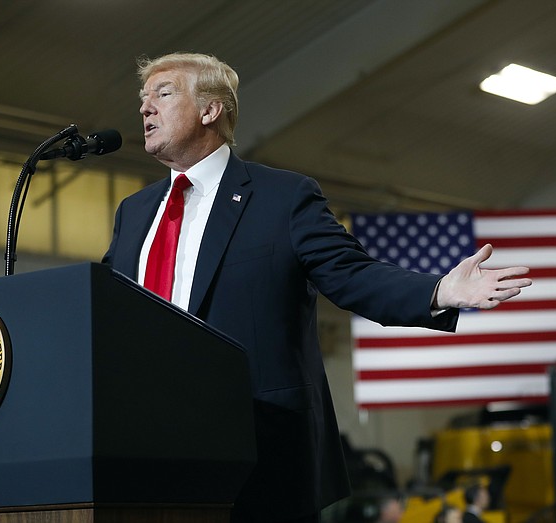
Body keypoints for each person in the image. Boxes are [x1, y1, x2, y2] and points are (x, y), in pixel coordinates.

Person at [102, 52, 532, 523]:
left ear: (211, 110)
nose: (146, 108)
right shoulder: (135, 212)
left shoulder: (282, 198)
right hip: (152, 454)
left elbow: (351, 275)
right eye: (144, 98)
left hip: (259, 453)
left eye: (163, 94)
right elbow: (103, 313)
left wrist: (437, 292)